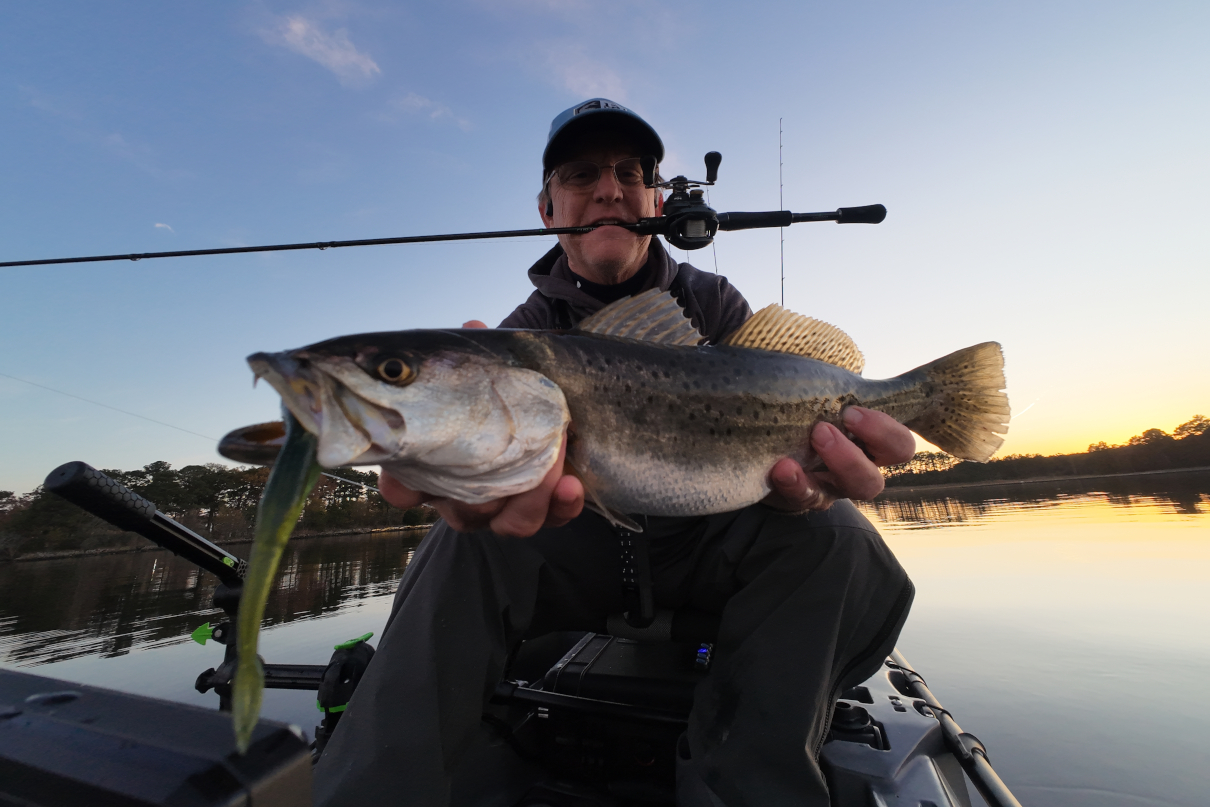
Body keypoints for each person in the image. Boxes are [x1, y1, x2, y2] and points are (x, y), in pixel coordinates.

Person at [313, 99, 917, 807]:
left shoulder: (716, 303)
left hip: (703, 548)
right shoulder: (520, 336)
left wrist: (813, 480)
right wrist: (456, 473)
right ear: (547, 207)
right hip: (579, 547)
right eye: (581, 174)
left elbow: (782, 451)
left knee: (840, 537)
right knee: (459, 538)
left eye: (631, 172)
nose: (609, 187)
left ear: (656, 199)